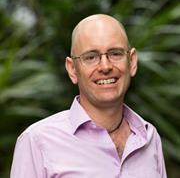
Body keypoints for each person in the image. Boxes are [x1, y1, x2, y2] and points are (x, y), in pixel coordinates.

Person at [11, 14, 167, 178]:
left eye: (115, 53)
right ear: (72, 69)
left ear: (132, 62)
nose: (105, 66)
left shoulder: (149, 138)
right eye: (91, 57)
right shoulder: (37, 142)